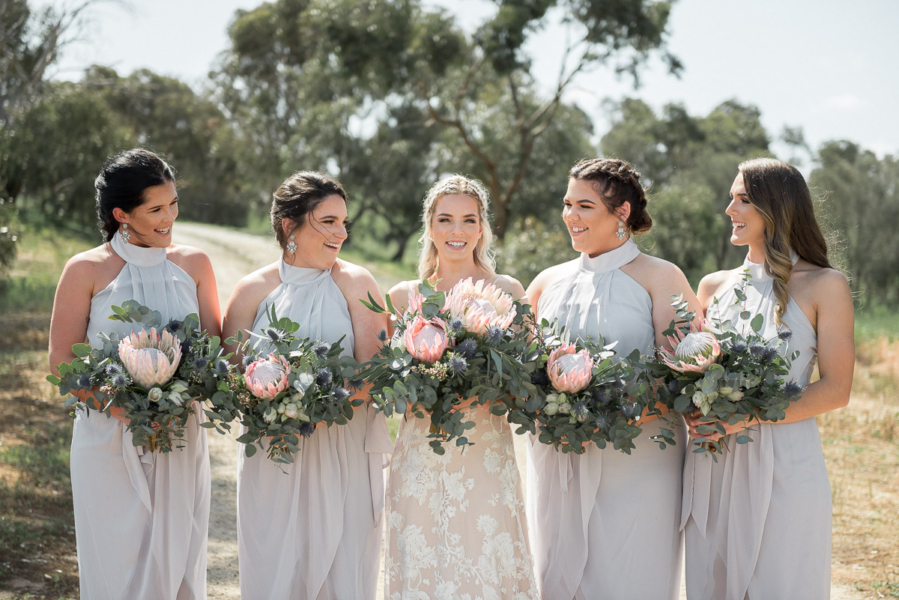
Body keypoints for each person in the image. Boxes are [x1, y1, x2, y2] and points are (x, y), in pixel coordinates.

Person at [525, 157, 700, 600]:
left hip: (639, 459)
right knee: (558, 574)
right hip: (558, 456)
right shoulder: (547, 281)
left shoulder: (662, 278)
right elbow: (521, 369)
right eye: (567, 204)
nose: (570, 216)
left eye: (584, 206)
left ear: (621, 212)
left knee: (630, 574)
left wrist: (608, 421)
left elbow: (685, 375)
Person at [48, 148, 219, 600]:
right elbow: (62, 362)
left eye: (174, 203)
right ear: (122, 214)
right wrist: (127, 409)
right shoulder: (85, 270)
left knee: (178, 562)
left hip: (180, 437)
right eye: (156, 209)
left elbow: (216, 353)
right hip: (107, 441)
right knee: (116, 564)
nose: (171, 217)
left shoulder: (195, 265)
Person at [682, 158, 854, 600]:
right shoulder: (711, 287)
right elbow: (693, 373)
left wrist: (746, 418)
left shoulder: (824, 284)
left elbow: (837, 389)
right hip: (714, 458)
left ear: (775, 207)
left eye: (742, 199)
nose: (729, 209)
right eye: (731, 197)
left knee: (780, 581)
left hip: (785, 461)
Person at [222, 171, 391, 600]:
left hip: (342, 449)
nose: (342, 233)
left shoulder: (357, 283)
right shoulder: (251, 291)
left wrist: (313, 408)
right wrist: (274, 405)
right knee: (274, 562)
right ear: (288, 225)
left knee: (343, 567)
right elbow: (229, 377)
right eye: (328, 221)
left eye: (343, 222)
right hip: (272, 455)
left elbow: (375, 373)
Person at [383, 175, 539, 599]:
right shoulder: (402, 297)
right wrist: (422, 381)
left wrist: (488, 386)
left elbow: (529, 376)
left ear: (482, 227)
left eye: (469, 220)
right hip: (420, 448)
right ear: (429, 226)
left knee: (483, 556)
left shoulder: (506, 291)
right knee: (423, 557)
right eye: (446, 219)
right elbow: (386, 381)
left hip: (484, 448)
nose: (457, 231)